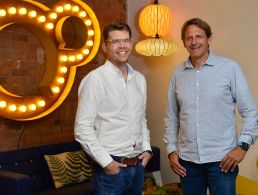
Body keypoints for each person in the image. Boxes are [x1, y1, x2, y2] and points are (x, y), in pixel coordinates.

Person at [163, 18, 258, 195]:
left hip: (222, 162)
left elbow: (251, 112)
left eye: (198, 36)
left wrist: (243, 146)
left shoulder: (229, 68)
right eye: (189, 38)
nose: (194, 42)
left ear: (209, 39)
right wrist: (171, 150)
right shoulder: (177, 74)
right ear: (184, 42)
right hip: (187, 163)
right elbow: (172, 116)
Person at [74, 21, 152, 195]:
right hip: (111, 170)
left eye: (126, 40)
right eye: (115, 42)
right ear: (105, 46)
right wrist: (106, 162)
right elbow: (82, 129)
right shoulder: (95, 80)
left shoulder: (139, 79)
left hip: (138, 166)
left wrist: (147, 149)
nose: (122, 46)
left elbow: (141, 119)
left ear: (131, 43)